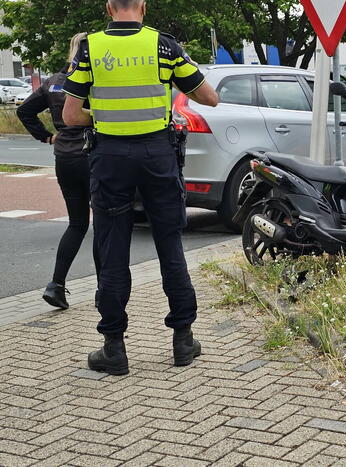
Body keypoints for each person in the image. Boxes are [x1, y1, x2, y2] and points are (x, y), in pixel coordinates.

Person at [62, 0, 219, 375]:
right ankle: (183, 340)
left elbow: (70, 115)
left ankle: (113, 348)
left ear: (109, 7)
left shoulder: (90, 48)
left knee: (112, 249)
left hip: (111, 157)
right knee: (170, 243)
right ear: (143, 7)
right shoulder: (164, 46)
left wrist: (103, 113)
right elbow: (209, 97)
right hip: (158, 156)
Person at [17, 32, 100, 310]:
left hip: (64, 155)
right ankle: (105, 289)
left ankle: (56, 285)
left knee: (77, 224)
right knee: (102, 224)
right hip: (91, 154)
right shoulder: (92, 80)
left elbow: (24, 111)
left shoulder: (52, 82)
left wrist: (47, 136)